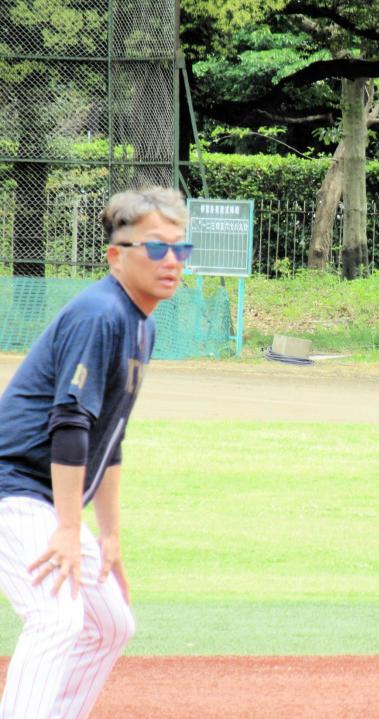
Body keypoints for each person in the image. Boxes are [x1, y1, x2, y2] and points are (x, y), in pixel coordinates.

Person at [0, 187, 191, 718]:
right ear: (117, 255)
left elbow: (110, 436)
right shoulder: (100, 314)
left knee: (109, 623)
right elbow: (69, 423)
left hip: (40, 497)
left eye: (180, 248)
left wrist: (108, 536)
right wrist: (67, 527)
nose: (171, 260)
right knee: (57, 619)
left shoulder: (141, 324)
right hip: (12, 490)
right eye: (156, 247)